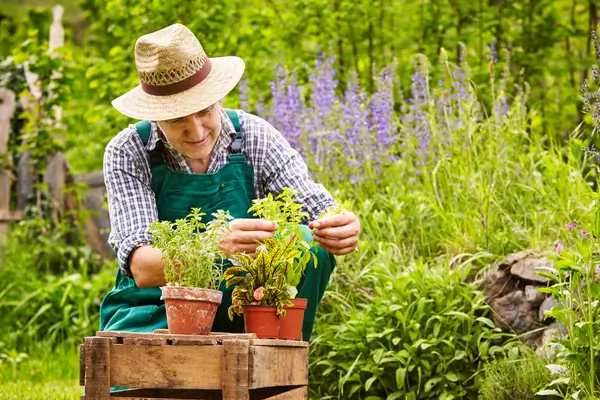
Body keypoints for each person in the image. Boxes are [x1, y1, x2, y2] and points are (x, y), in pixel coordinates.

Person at [99, 23, 361, 341]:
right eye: (178, 118)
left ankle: (278, 368)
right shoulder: (130, 151)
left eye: (204, 111)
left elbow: (319, 210)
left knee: (311, 245)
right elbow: (142, 267)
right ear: (155, 116)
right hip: (150, 308)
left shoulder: (254, 136)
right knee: (145, 382)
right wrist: (213, 245)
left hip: (239, 307)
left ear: (218, 97)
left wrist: (341, 226)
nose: (196, 132)